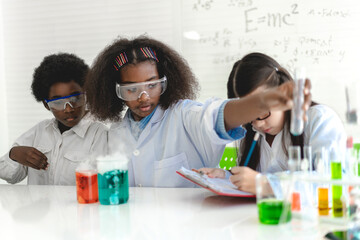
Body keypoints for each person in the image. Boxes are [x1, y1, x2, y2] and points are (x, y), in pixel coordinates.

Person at [85, 36, 311, 188]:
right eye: (132, 89)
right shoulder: (114, 134)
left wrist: (264, 101)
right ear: (114, 91)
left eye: (152, 85)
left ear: (167, 81)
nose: (143, 97)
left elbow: (219, 117)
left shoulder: (184, 116)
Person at [199, 52, 346, 194]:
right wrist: (226, 176)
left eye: (262, 111)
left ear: (280, 93)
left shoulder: (320, 119)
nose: (257, 125)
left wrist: (265, 184)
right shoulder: (254, 133)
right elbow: (252, 179)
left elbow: (334, 181)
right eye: (248, 117)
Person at [0, 53, 108, 185]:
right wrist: (14, 154)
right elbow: (10, 176)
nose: (68, 109)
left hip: (79, 205)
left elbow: (103, 183)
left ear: (86, 95)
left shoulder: (99, 134)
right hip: (40, 206)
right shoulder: (40, 131)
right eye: (58, 102)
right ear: (46, 105)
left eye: (75, 98)